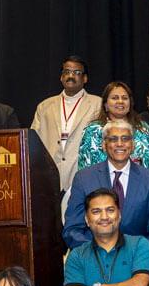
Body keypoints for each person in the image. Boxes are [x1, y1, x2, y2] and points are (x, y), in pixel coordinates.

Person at [63, 120, 149, 254]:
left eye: (125, 139)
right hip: (94, 259)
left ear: (133, 145)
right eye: (113, 139)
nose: (120, 144)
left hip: (136, 259)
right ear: (104, 145)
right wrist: (97, 255)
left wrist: (138, 256)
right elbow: (72, 230)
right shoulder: (84, 178)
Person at [30, 55, 102, 195]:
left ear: (85, 78)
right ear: (61, 77)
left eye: (77, 73)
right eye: (67, 72)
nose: (71, 76)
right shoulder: (45, 106)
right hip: (50, 179)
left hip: (84, 176)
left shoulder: (98, 105)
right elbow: (34, 143)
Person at [77, 81, 149, 180]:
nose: (120, 101)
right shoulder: (91, 132)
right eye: (115, 98)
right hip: (100, 186)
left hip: (138, 186)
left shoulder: (144, 130)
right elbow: (84, 172)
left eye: (124, 98)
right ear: (105, 104)